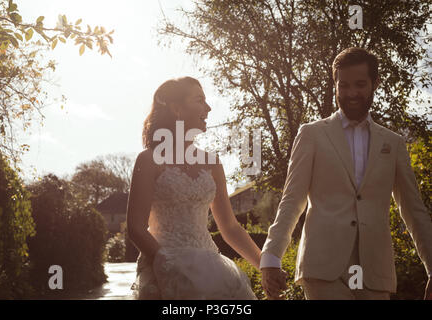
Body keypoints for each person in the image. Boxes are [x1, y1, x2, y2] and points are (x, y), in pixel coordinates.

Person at [260, 47, 432, 300]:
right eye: (344, 85)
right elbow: (292, 199)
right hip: (322, 269)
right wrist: (271, 256)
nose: (351, 93)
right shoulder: (312, 134)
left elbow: (413, 210)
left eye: (360, 84)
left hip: (375, 272)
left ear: (375, 83)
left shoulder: (393, 143)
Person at [127, 76, 261, 299]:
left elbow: (229, 226)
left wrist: (266, 266)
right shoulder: (149, 160)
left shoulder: (212, 163)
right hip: (163, 271)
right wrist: (167, 265)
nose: (208, 108)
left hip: (211, 271)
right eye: (199, 100)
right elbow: (135, 228)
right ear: (176, 108)